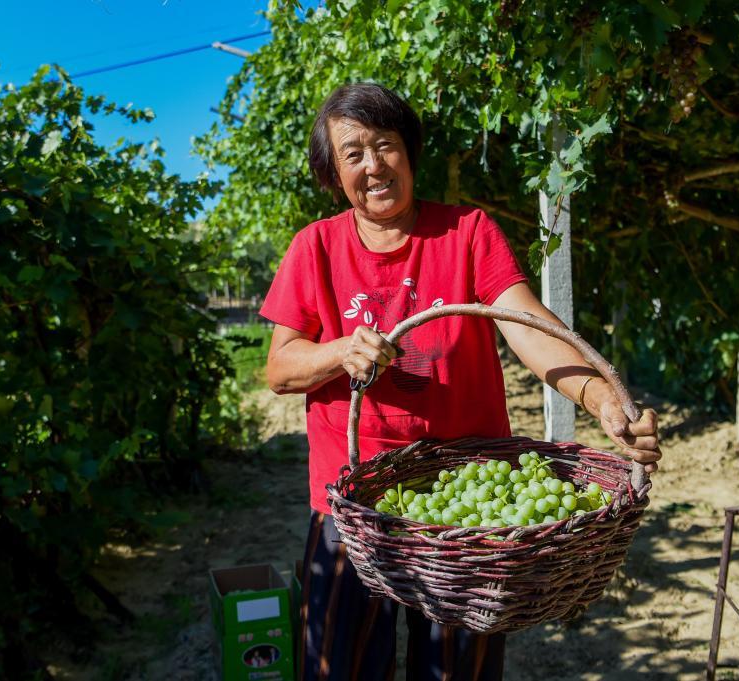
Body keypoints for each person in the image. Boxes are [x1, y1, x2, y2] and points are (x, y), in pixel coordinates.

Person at [260, 83, 661, 681]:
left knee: (456, 671)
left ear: (410, 153)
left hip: (464, 509)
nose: (373, 165)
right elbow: (279, 369)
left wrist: (602, 397)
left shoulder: (468, 233)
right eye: (353, 154)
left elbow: (529, 329)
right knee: (338, 664)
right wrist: (342, 350)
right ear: (333, 172)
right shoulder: (314, 247)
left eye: (386, 146)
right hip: (351, 501)